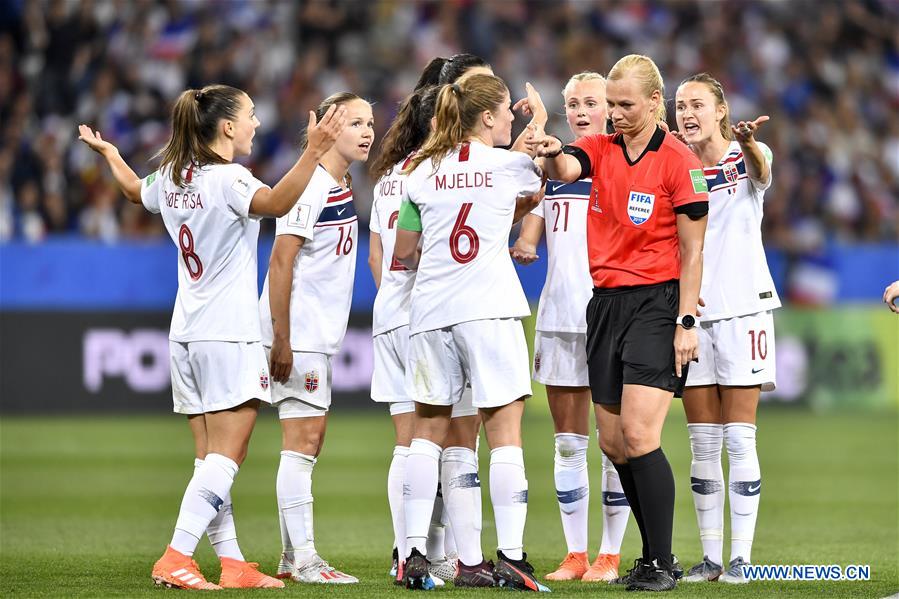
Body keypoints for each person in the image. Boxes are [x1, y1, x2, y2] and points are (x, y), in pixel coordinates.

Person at [77, 83, 346, 590]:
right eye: (249, 115)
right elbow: (276, 202)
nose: (256, 124)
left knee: (210, 460)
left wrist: (112, 154)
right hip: (228, 334)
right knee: (228, 456)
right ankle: (176, 555)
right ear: (226, 126)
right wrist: (312, 151)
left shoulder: (176, 177)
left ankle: (233, 562)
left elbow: (135, 190)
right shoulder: (229, 179)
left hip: (186, 334)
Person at [528, 54, 709, 592]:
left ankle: (660, 558)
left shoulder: (679, 161)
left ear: (656, 102)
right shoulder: (599, 148)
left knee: (638, 433)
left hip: (658, 302)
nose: (616, 113)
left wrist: (687, 319)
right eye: (611, 104)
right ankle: (654, 558)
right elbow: (564, 168)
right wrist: (548, 147)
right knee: (611, 443)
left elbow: (693, 250)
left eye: (625, 104)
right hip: (604, 303)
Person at [394, 73, 549, 593]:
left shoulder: (418, 170)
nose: (512, 118)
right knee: (504, 434)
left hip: (431, 311)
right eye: (507, 110)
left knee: (427, 432)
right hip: (490, 308)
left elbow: (404, 252)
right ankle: (511, 558)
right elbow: (537, 188)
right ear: (487, 116)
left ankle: (413, 555)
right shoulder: (511, 166)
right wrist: (541, 125)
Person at [511, 71, 630, 583]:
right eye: (573, 104)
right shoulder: (553, 164)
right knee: (567, 443)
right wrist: (530, 236)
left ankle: (610, 553)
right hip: (560, 314)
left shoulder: (621, 161)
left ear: (611, 108)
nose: (581, 111)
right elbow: (532, 203)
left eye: (591, 103)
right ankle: (575, 553)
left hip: (612, 314)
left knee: (615, 442)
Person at [258, 92, 373, 585]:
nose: (368, 131)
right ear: (328, 127)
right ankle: (304, 558)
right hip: (298, 333)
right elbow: (281, 259)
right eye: (356, 123)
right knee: (302, 441)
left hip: (313, 333)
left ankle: (290, 555)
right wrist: (282, 338)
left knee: (309, 440)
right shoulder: (310, 186)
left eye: (370, 122)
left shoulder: (341, 181)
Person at [673, 73, 780, 584]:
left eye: (696, 104)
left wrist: (749, 143)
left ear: (721, 110)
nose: (686, 113)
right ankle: (711, 557)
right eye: (679, 106)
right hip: (692, 317)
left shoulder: (747, 157)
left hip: (743, 309)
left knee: (739, 439)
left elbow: (762, 172)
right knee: (703, 444)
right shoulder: (672, 168)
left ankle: (742, 558)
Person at [368, 84, 465, 587]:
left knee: (406, 442)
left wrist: (395, 304)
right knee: (437, 441)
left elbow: (377, 258)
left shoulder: (388, 178)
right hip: (428, 313)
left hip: (389, 312)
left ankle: (404, 550)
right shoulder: (439, 173)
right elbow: (419, 250)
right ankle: (428, 553)